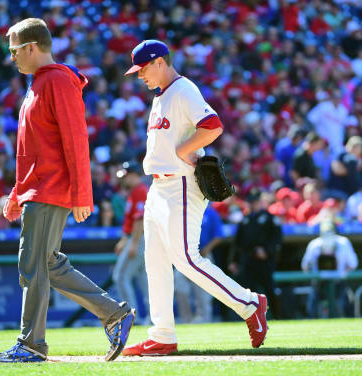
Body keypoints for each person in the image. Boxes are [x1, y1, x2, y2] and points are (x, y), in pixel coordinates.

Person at [0, 18, 135, 364]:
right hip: (37, 189)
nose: (12, 58)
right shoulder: (39, 83)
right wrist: (17, 192)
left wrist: (83, 194)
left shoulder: (56, 81)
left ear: (31, 47)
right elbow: (33, 150)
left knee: (33, 265)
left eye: (14, 51)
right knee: (48, 264)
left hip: (50, 190)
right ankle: (114, 314)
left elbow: (76, 140)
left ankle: (31, 345)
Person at [122, 40, 268, 357]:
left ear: (160, 61)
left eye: (143, 68)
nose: (139, 76)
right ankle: (162, 334)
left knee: (186, 260)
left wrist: (184, 150)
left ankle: (250, 303)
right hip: (158, 188)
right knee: (155, 263)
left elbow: (213, 126)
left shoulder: (183, 89)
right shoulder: (161, 95)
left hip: (182, 185)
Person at [228, 189, 283, 319]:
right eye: (251, 202)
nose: (253, 205)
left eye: (256, 202)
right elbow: (238, 243)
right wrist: (234, 261)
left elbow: (277, 239)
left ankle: (278, 316)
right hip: (248, 260)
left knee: (270, 289)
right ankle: (251, 318)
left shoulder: (270, 218)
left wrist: (267, 251)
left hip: (264, 261)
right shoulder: (245, 219)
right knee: (248, 291)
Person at [174, 203, 224, 323]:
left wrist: (207, 248)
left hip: (204, 255)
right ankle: (186, 320)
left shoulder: (210, 213)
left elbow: (219, 235)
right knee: (180, 286)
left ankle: (205, 320)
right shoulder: (185, 210)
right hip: (185, 255)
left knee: (204, 291)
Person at [112, 162, 149, 324]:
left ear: (134, 175)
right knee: (143, 279)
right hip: (138, 238)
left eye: (126, 175)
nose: (124, 179)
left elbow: (140, 220)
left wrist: (132, 243)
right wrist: (125, 239)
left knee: (120, 276)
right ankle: (151, 318)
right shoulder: (136, 191)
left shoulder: (140, 191)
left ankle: (130, 318)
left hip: (139, 239)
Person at [301, 221, 359, 317]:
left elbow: (353, 264)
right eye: (325, 233)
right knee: (311, 311)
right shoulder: (314, 244)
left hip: (339, 282)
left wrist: (343, 273)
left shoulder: (343, 243)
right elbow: (305, 267)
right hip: (319, 284)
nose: (328, 236)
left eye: (330, 232)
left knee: (346, 308)